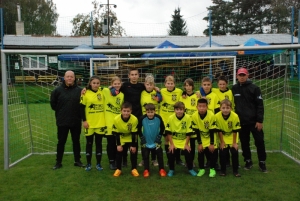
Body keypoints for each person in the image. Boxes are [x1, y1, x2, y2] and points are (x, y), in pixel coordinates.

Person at [232, 67, 267, 172]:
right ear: (237, 76)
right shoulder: (234, 88)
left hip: (254, 122)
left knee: (259, 142)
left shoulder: (255, 88)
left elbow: (260, 105)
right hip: (241, 122)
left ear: (247, 76)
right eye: (240, 75)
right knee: (244, 142)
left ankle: (262, 162)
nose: (242, 77)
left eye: (243, 75)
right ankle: (248, 161)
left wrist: (259, 121)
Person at [50, 70, 85, 170]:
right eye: (67, 76)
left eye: (71, 76)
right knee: (61, 142)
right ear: (64, 78)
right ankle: (58, 162)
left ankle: (77, 161)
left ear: (74, 78)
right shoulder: (57, 91)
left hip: (76, 121)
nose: (69, 78)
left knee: (76, 141)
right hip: (62, 121)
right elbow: (53, 105)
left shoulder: (80, 91)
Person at [80, 76, 106, 171]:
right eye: (94, 83)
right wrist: (84, 121)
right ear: (90, 83)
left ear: (100, 84)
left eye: (97, 83)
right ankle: (88, 164)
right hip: (89, 124)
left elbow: (113, 87)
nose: (96, 85)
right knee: (89, 143)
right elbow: (81, 108)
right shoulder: (85, 93)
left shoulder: (102, 91)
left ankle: (98, 164)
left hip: (100, 123)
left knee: (99, 144)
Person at [165, 101, 197, 177]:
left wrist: (186, 144)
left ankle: (190, 169)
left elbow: (189, 133)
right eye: (177, 109)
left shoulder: (188, 117)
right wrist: (172, 144)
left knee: (188, 152)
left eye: (181, 109)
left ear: (184, 110)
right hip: (174, 140)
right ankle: (171, 169)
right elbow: (168, 132)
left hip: (184, 140)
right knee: (171, 152)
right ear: (174, 110)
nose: (179, 111)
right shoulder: (171, 118)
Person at [160, 75, 184, 166]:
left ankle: (178, 159)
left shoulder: (179, 92)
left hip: (176, 119)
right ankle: (169, 159)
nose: (170, 85)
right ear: (165, 84)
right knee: (167, 140)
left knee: (177, 139)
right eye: (168, 83)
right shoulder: (161, 91)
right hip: (165, 120)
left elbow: (189, 93)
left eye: (172, 83)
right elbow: (150, 87)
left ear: (175, 84)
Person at [138, 103, 166, 177]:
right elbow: (138, 129)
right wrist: (142, 137)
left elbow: (163, 128)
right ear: (146, 112)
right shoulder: (142, 118)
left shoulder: (158, 118)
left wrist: (159, 136)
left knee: (160, 154)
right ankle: (146, 170)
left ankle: (161, 169)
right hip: (146, 141)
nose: (150, 114)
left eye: (152, 112)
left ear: (155, 111)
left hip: (156, 141)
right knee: (146, 155)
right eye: (148, 112)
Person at [212, 75, 235, 167]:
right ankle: (217, 160)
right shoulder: (214, 90)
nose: (222, 86)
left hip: (228, 116)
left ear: (227, 84)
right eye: (220, 84)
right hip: (217, 117)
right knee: (218, 139)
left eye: (223, 84)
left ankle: (228, 160)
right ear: (217, 84)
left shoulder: (230, 92)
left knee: (227, 137)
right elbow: (202, 89)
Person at [139, 74, 162, 167]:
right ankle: (144, 159)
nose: (149, 86)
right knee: (144, 139)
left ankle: (154, 159)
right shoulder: (142, 92)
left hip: (155, 119)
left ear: (154, 85)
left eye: (151, 84)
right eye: (147, 84)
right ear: (145, 84)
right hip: (145, 120)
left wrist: (158, 92)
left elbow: (160, 100)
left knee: (154, 138)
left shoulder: (156, 93)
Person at [191, 98, 217, 178]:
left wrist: (212, 143)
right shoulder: (194, 116)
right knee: (200, 152)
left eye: (203, 106)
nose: (202, 108)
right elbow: (197, 131)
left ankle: (212, 169)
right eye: (200, 106)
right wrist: (199, 143)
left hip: (211, 136)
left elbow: (212, 131)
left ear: (207, 107)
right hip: (201, 136)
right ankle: (201, 169)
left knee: (212, 151)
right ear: (196, 107)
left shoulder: (211, 115)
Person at [112, 102, 139, 177]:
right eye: (124, 111)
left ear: (131, 111)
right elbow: (116, 133)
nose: (126, 113)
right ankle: (118, 169)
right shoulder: (116, 119)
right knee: (119, 152)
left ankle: (134, 169)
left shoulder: (134, 119)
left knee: (133, 152)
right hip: (121, 137)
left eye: (128, 111)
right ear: (121, 111)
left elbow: (134, 133)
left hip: (131, 137)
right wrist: (118, 144)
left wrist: (133, 145)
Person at [103, 76, 124, 170]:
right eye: (115, 84)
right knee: (110, 143)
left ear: (121, 84)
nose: (117, 85)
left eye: (118, 84)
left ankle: (117, 160)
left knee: (118, 143)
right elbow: (95, 88)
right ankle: (111, 161)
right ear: (112, 84)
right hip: (108, 123)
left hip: (118, 123)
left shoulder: (122, 95)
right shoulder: (106, 91)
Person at [215, 99, 241, 177]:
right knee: (223, 153)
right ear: (220, 108)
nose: (225, 110)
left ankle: (235, 171)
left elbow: (235, 130)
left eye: (227, 108)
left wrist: (234, 143)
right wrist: (222, 142)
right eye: (223, 108)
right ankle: (223, 170)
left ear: (231, 108)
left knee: (234, 152)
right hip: (222, 137)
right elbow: (219, 130)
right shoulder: (217, 116)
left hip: (232, 136)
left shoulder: (235, 116)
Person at [180, 78, 198, 167]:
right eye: (186, 86)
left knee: (193, 142)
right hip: (184, 122)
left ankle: (191, 161)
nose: (188, 87)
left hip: (194, 123)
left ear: (193, 86)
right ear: (184, 87)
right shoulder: (182, 96)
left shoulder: (197, 96)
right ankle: (187, 160)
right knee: (185, 142)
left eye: (190, 85)